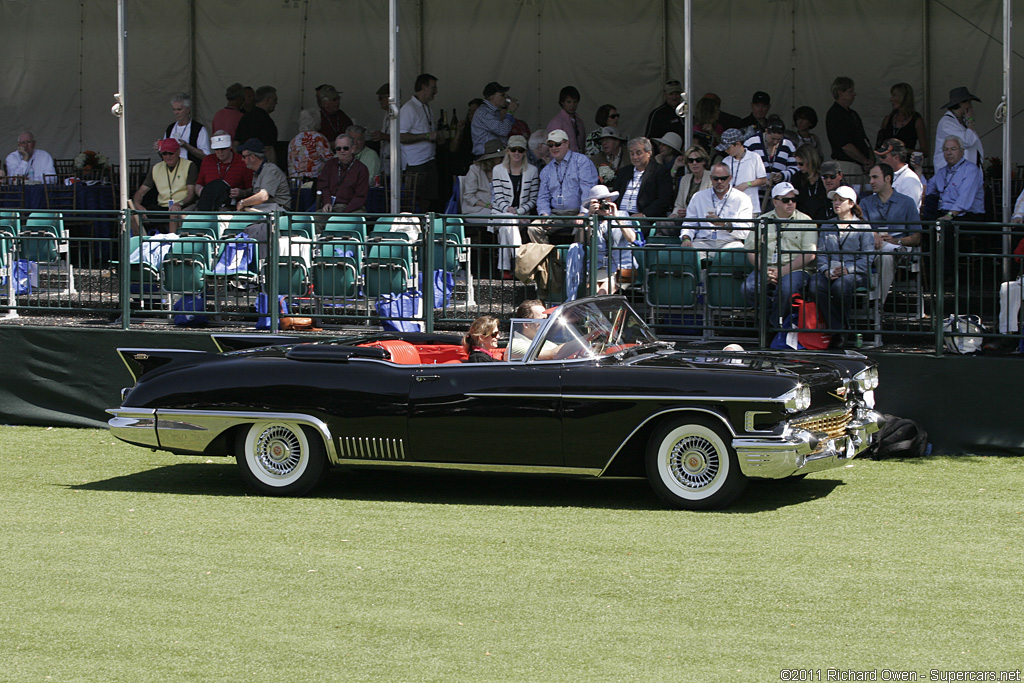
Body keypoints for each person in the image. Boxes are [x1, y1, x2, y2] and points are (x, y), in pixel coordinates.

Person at [742, 182, 817, 325]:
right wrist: (764, 270)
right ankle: (771, 321)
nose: (790, 203)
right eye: (785, 200)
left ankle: (771, 326)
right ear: (775, 202)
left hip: (796, 269)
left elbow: (809, 254)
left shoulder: (806, 221)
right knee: (748, 288)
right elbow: (752, 250)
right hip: (767, 267)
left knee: (786, 289)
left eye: (793, 200)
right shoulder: (762, 221)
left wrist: (782, 271)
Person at [810, 185, 875, 347]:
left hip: (856, 272)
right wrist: (825, 270)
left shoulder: (863, 227)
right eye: (834, 200)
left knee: (840, 286)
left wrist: (848, 270)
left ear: (851, 204)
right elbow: (822, 254)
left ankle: (837, 331)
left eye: (841, 200)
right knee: (815, 285)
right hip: (831, 270)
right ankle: (839, 328)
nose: (836, 203)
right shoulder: (827, 225)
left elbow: (867, 257)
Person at [860, 163, 921, 303]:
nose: (871, 182)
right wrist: (873, 235)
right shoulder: (865, 202)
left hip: (898, 248)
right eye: (870, 177)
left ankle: (878, 303)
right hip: (870, 247)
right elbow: (860, 229)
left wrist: (897, 241)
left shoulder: (907, 202)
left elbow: (917, 237)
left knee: (886, 256)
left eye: (875, 177)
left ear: (888, 178)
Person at [530, 129, 599, 243]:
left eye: (557, 144)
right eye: (550, 145)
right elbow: (543, 196)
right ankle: (550, 259)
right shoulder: (547, 170)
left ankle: (578, 259)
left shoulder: (582, 162)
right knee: (534, 228)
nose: (554, 148)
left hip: (577, 211)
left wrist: (583, 212)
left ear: (567, 143)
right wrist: (544, 214)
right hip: (556, 214)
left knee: (584, 227)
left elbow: (588, 190)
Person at [491, 135, 540, 278]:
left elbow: (533, 198)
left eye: (520, 150)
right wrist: (510, 211)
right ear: (508, 151)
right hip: (500, 213)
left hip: (521, 215)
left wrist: (518, 212)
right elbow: (498, 195)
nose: (517, 153)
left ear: (525, 152)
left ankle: (506, 268)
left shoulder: (532, 170)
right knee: (509, 220)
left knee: (508, 223)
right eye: (514, 150)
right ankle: (519, 262)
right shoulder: (498, 170)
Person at [579, 184, 638, 294]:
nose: (604, 204)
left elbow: (631, 238)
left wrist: (616, 218)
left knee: (602, 293)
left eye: (607, 199)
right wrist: (589, 217)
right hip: (598, 267)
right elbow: (583, 241)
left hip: (620, 268)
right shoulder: (590, 218)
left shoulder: (622, 214)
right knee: (592, 292)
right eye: (601, 201)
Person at [131, 138, 197, 234]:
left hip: (182, 205)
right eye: (164, 154)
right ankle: (139, 246)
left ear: (178, 152)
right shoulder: (156, 167)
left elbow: (191, 194)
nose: (167, 156)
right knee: (132, 215)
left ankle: (172, 245)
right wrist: (137, 205)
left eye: (171, 153)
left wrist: (179, 204)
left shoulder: (189, 165)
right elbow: (140, 192)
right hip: (162, 207)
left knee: (174, 213)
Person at [681, 162, 753, 250]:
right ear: (711, 178)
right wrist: (686, 238)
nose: (719, 182)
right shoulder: (698, 197)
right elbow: (689, 224)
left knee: (737, 252)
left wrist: (724, 224)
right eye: (716, 179)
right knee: (688, 252)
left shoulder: (742, 198)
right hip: (703, 241)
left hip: (730, 242)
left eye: (723, 179)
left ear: (730, 178)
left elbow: (745, 232)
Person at [399, 73, 440, 210]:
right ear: (424, 87)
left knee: (427, 200)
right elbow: (401, 136)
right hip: (415, 163)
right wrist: (427, 136)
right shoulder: (409, 108)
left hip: (429, 160)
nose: (436, 91)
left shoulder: (426, 107)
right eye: (433, 87)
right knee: (413, 201)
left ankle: (425, 228)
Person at [922, 135, 984, 221]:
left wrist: (950, 215)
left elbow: (964, 198)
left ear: (962, 152)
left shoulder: (970, 170)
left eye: (953, 149)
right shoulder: (941, 172)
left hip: (966, 216)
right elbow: (926, 190)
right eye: (946, 149)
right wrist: (918, 168)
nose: (949, 153)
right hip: (944, 214)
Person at [612, 137, 673, 219]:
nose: (635, 157)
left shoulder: (659, 171)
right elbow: (615, 194)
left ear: (649, 153)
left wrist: (644, 214)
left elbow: (663, 200)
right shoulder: (624, 171)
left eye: (639, 153)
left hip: (644, 218)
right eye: (632, 154)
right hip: (619, 215)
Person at [744, 115, 797, 208]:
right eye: (773, 139)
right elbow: (743, 168)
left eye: (779, 139)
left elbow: (795, 168)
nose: (776, 142)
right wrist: (758, 179)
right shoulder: (751, 143)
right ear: (766, 131)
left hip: (778, 197)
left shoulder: (788, 145)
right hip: (754, 195)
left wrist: (783, 175)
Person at [195, 131, 253, 211]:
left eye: (223, 148)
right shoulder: (207, 160)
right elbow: (199, 184)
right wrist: (201, 192)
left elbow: (251, 189)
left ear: (230, 146)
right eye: (216, 149)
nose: (220, 152)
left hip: (232, 205)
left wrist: (242, 193)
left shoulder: (242, 161)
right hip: (207, 203)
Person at [825, 77, 872, 175]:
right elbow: (845, 145)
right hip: (846, 165)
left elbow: (864, 139)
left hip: (860, 165)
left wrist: (870, 159)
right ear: (840, 93)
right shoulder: (835, 114)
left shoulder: (853, 114)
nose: (854, 94)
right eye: (850, 91)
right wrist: (865, 161)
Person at [716, 128, 767, 215]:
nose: (726, 150)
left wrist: (747, 184)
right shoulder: (726, 160)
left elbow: (763, 179)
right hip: (730, 207)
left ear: (738, 144)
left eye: (728, 147)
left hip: (751, 208)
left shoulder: (754, 157)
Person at [235, 138, 290, 216]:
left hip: (277, 211)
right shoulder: (259, 171)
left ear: (253, 157)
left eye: (244, 156)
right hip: (264, 208)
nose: (242, 159)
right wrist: (243, 193)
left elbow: (262, 196)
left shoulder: (270, 171)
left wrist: (242, 202)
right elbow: (257, 191)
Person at [316, 134, 369, 213]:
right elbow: (323, 186)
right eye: (338, 148)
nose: (342, 151)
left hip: (352, 209)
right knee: (314, 220)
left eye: (345, 148)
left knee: (349, 220)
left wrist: (345, 213)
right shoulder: (329, 165)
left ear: (353, 149)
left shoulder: (361, 169)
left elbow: (360, 196)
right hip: (331, 207)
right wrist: (327, 202)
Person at [933, 86, 983, 168]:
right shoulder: (946, 123)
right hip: (951, 171)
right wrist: (970, 121)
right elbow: (967, 141)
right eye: (968, 103)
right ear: (961, 103)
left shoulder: (961, 121)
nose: (970, 106)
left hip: (966, 169)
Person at [877, 82, 928, 159]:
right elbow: (878, 146)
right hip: (888, 166)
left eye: (894, 96)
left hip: (906, 166)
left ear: (904, 98)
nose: (891, 99)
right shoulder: (888, 119)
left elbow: (925, 152)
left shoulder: (917, 121)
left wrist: (905, 150)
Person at [461, 139, 502, 226]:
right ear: (492, 159)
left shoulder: (503, 169)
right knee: (503, 220)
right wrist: (487, 205)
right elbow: (468, 196)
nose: (503, 159)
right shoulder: (475, 169)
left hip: (499, 209)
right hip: (476, 210)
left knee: (513, 218)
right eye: (500, 157)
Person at [235, 86, 280, 166]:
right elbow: (268, 148)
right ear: (267, 100)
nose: (276, 103)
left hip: (243, 163)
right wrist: (273, 170)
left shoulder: (245, 117)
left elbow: (236, 143)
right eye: (274, 100)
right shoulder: (266, 121)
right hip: (258, 166)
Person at [159, 93, 210, 162]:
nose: (176, 113)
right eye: (174, 109)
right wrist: (159, 148)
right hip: (171, 169)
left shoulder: (198, 129)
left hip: (191, 169)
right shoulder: (170, 128)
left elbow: (205, 155)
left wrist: (187, 146)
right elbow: (164, 154)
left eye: (179, 109)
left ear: (188, 109)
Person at [471, 82, 519, 155]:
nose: (505, 97)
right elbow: (503, 131)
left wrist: (507, 112)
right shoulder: (484, 112)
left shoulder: (494, 111)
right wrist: (510, 112)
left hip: (495, 153)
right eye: (502, 95)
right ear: (492, 97)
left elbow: (507, 127)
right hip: (485, 155)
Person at [874, 138, 923, 208]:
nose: (880, 159)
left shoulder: (910, 179)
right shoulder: (884, 175)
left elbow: (907, 211)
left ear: (896, 158)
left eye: (883, 156)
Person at [668, 145, 712, 219]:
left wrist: (689, 211)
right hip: (685, 220)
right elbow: (679, 205)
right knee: (663, 223)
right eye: (690, 161)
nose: (694, 163)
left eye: (698, 160)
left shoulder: (712, 178)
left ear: (704, 161)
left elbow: (712, 206)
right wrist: (675, 166)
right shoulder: (685, 179)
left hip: (704, 220)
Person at [287, 109, 331, 180]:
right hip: (313, 181)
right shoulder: (318, 138)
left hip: (295, 182)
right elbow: (330, 160)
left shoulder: (293, 140)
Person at [791, 144, 830, 221]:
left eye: (801, 164)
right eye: (797, 164)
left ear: (810, 161)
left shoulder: (824, 177)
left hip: (823, 219)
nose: (798, 167)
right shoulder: (797, 177)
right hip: (803, 220)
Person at [448, 98, 484, 177]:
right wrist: (459, 131)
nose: (471, 113)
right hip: (464, 168)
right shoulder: (466, 128)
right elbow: (452, 148)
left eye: (474, 111)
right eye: (470, 111)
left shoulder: (485, 130)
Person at [546, 86, 586, 153]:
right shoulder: (556, 122)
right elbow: (552, 148)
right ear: (562, 102)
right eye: (568, 102)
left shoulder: (579, 122)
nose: (572, 105)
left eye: (575, 102)